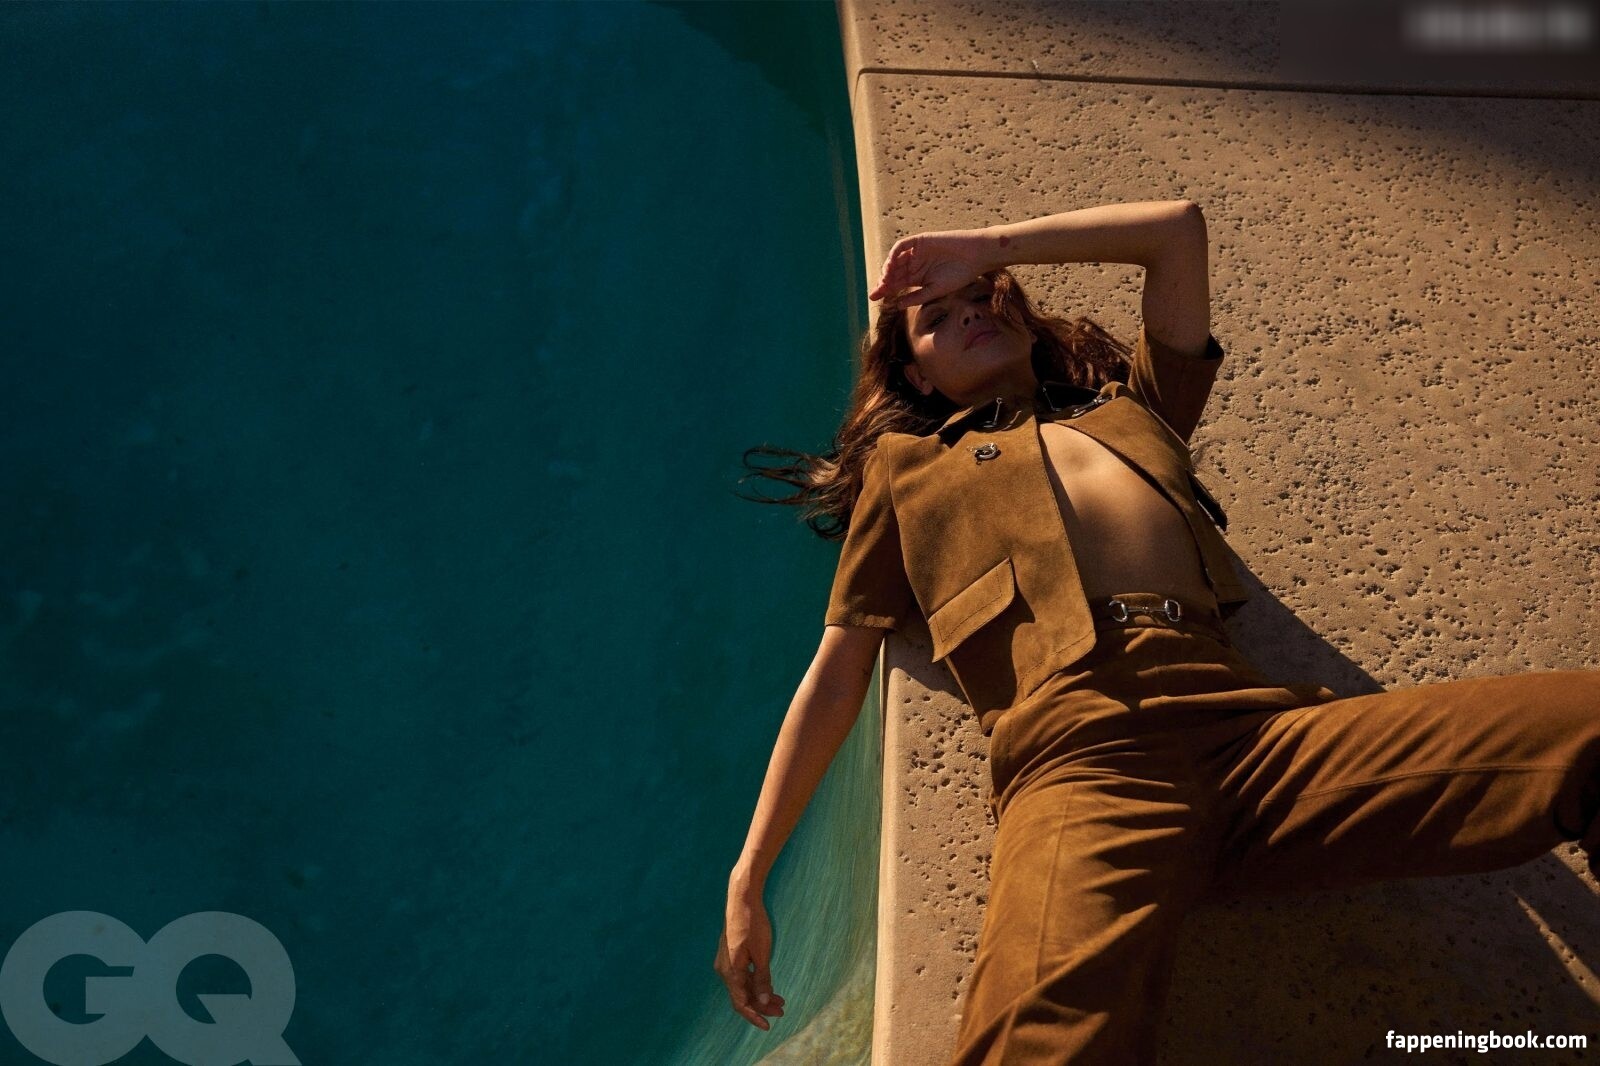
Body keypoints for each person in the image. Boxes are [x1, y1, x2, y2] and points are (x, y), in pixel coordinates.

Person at [713, 200, 1600, 1064]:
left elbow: (1176, 233)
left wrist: (986, 246)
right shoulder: (906, 473)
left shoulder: (1133, 408)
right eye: (937, 320)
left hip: (1260, 745)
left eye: (982, 297)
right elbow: (838, 672)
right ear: (915, 376)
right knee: (1036, 1044)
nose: (971, 313)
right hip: (1083, 762)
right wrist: (750, 874)